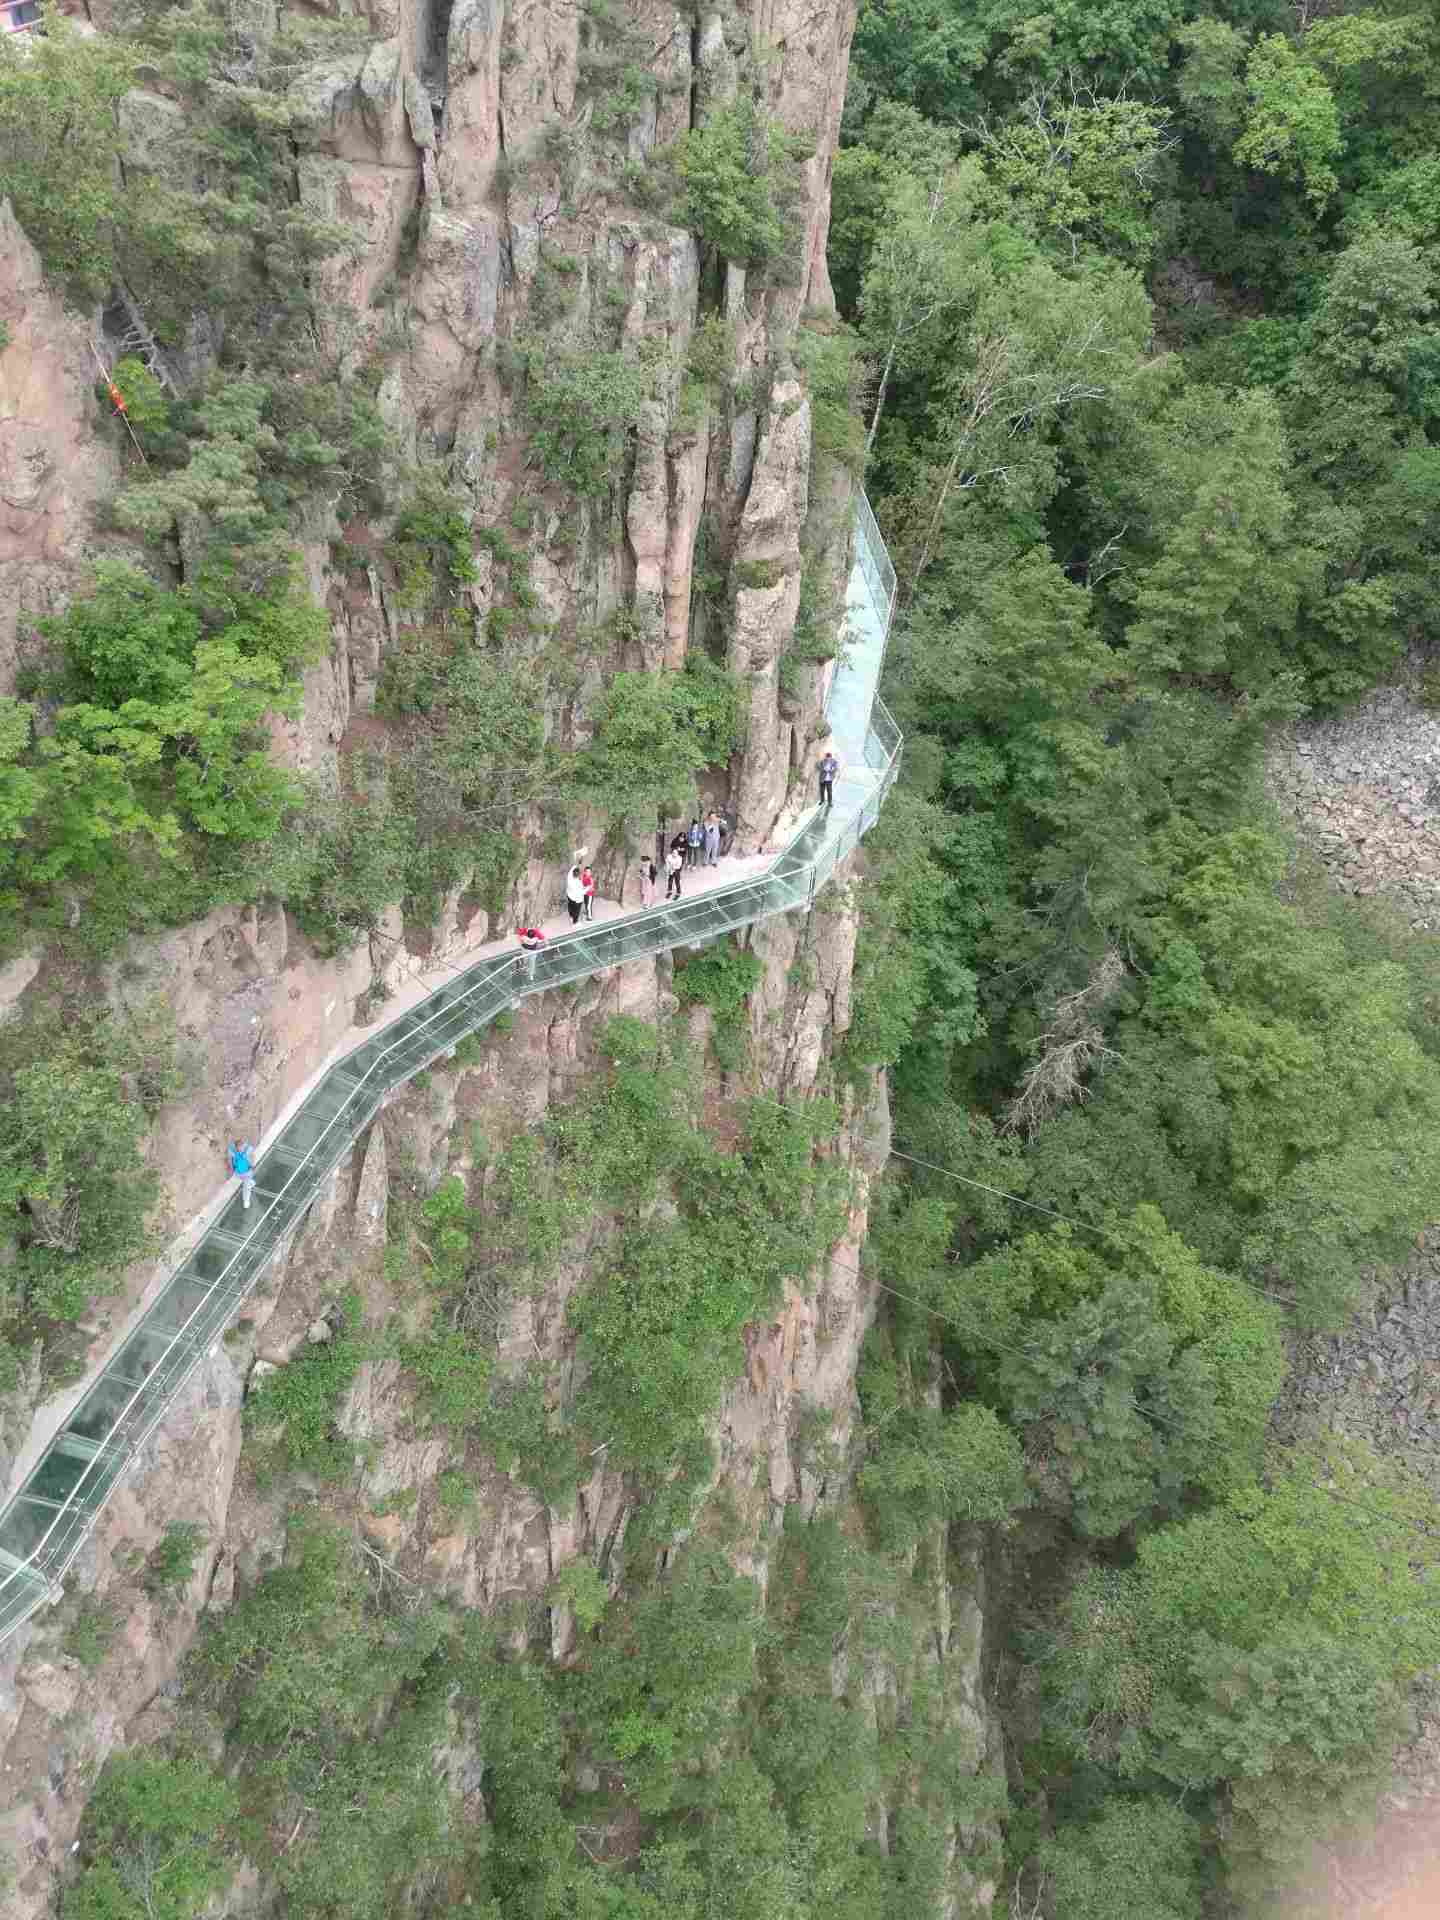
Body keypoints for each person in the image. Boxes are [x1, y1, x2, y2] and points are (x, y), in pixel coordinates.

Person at [229, 1139, 256, 1210]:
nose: (240, 1149)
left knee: (246, 1187)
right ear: (236, 1147)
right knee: (246, 1182)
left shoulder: (248, 1149)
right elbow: (230, 1159)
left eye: (241, 1148)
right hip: (239, 1172)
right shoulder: (232, 1150)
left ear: (243, 1146)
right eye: (238, 1148)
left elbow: (253, 1156)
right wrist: (232, 1169)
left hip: (247, 1172)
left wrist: (252, 1164)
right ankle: (251, 1182)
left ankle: (246, 1200)